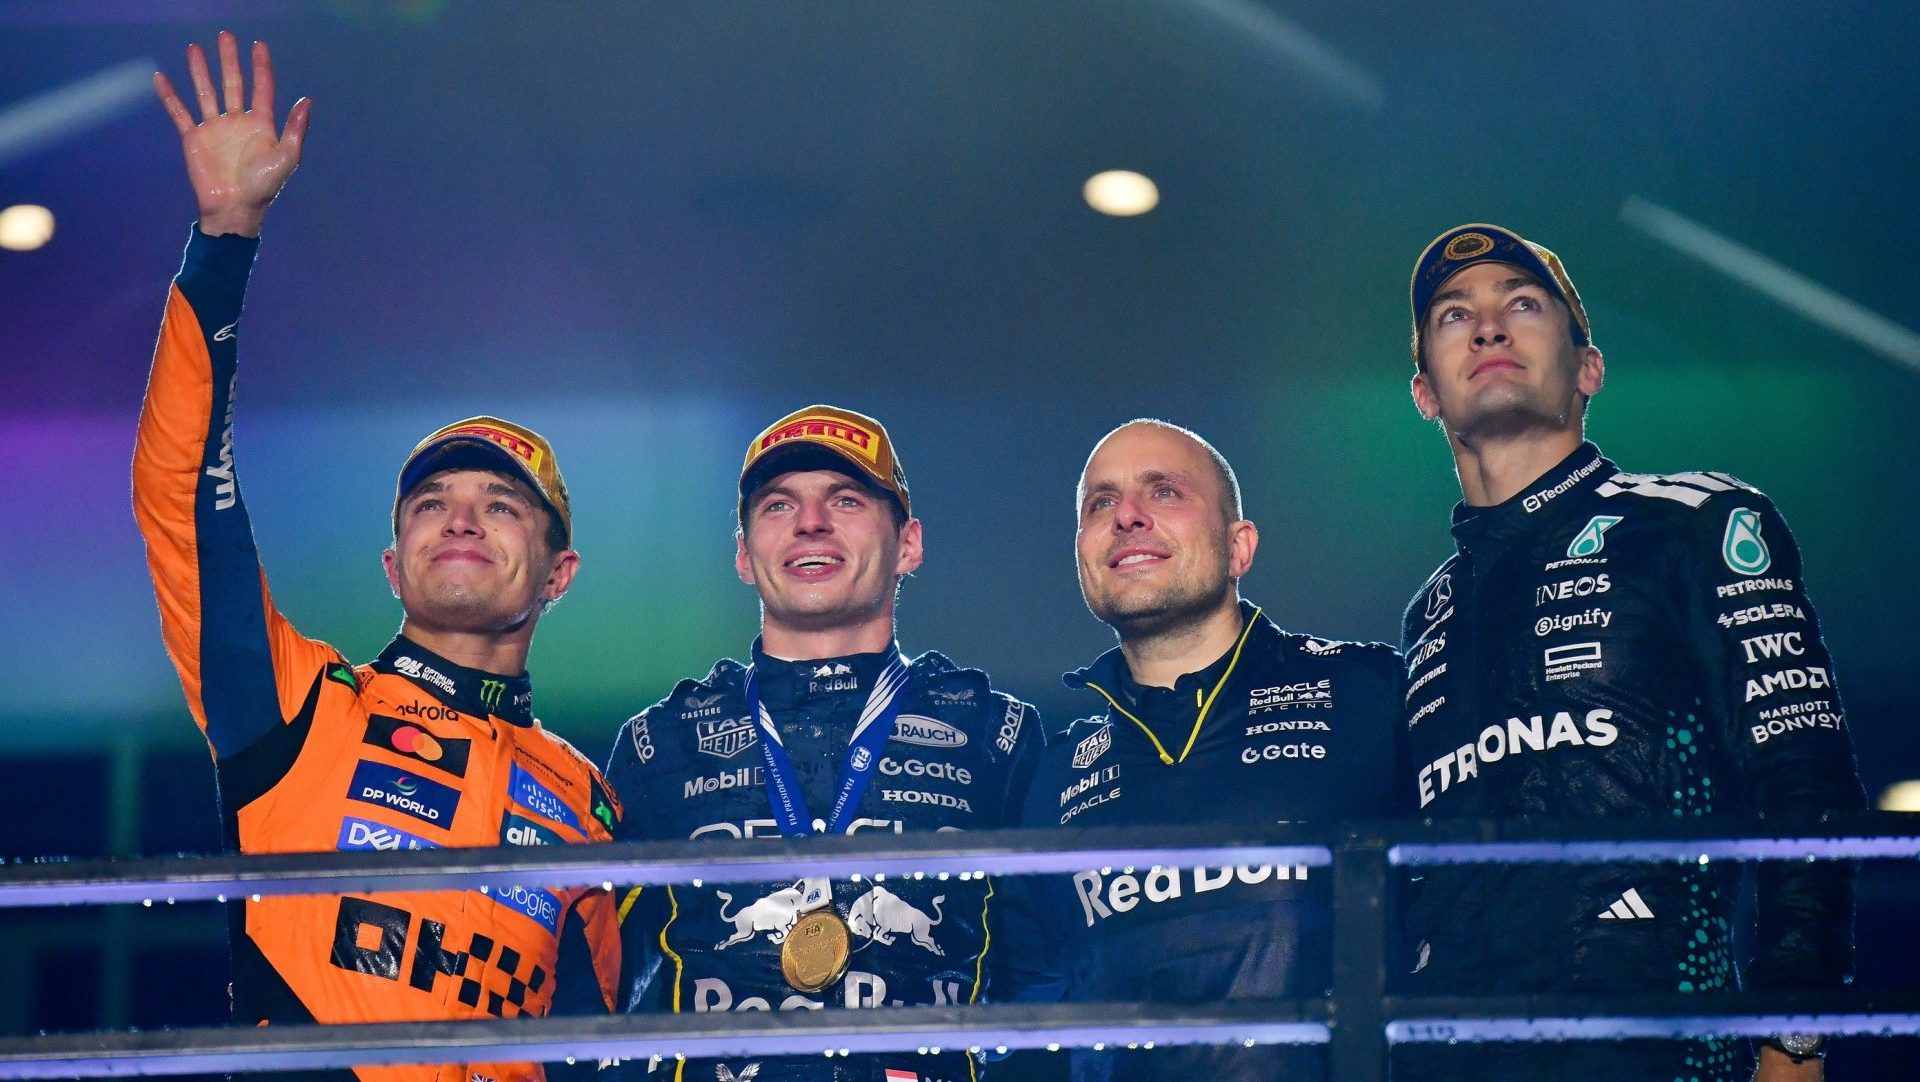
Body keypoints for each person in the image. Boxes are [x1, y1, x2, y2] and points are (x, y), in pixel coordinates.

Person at [136, 34, 619, 1082]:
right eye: (432, 504)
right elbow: (182, 501)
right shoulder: (301, 704)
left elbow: (612, 1047)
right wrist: (225, 236)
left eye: (502, 507)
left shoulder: (590, 798)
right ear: (392, 566)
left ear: (557, 573)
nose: (460, 519)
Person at [1395, 223, 1865, 1081]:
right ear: (1425, 391)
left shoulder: (1697, 522)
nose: (1488, 327)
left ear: (1589, 369)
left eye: (1523, 305)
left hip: (1660, 1046)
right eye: (1454, 314)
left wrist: (1796, 1032)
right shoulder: (1426, 613)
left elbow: (1805, 781)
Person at [604, 405, 1044, 1082]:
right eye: (779, 505)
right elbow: (599, 998)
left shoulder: (999, 736)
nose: (812, 522)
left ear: (910, 544)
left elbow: (1051, 980)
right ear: (746, 557)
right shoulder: (658, 746)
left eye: (846, 499)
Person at [997, 419, 1403, 1082]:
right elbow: (1031, 1017)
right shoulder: (1052, 777)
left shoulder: (1370, 694)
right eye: (1101, 503)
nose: (1126, 515)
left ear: (1239, 547)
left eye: (1165, 493)